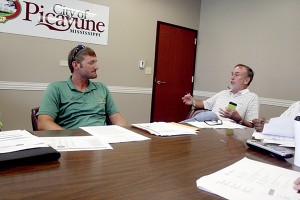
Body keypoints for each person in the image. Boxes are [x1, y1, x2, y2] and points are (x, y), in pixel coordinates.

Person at [37, 45, 128, 130]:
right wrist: (71, 139)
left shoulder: (102, 88)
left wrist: (130, 133)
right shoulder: (56, 89)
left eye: (95, 62)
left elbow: (116, 117)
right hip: (73, 141)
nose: (96, 67)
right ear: (76, 65)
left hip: (102, 140)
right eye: (91, 63)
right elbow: (43, 123)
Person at [181, 64, 259, 128]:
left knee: (210, 115)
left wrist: (239, 119)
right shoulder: (223, 93)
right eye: (232, 74)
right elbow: (204, 104)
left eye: (236, 75)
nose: (232, 77)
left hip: (228, 131)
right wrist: (193, 101)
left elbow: (252, 125)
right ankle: (179, 127)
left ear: (246, 80)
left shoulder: (252, 97)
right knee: (209, 115)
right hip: (209, 126)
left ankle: (178, 126)